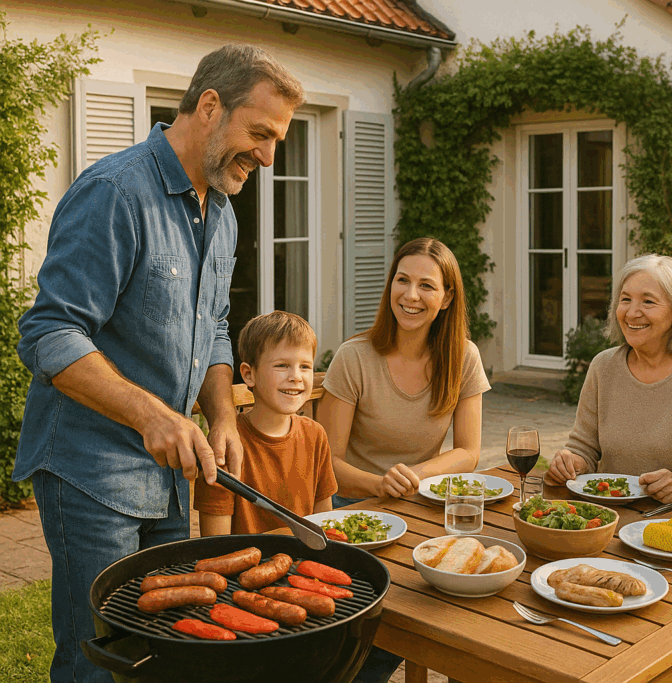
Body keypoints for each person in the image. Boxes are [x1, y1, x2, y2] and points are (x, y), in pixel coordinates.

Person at [14, 44, 304, 682]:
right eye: (260, 133)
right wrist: (152, 414)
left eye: (277, 139)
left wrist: (223, 415)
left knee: (167, 653)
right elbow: (50, 331)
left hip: (169, 474)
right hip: (90, 472)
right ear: (208, 107)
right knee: (99, 656)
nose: (269, 156)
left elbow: (214, 326)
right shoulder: (114, 193)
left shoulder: (221, 211)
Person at [318, 237, 490, 683]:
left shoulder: (463, 357)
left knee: (463, 594)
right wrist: (378, 484)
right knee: (388, 611)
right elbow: (327, 461)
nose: (411, 296)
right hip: (352, 512)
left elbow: (469, 451)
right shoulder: (355, 357)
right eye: (402, 281)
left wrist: (413, 476)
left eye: (426, 286)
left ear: (447, 297)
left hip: (418, 508)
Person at [545, 254, 672, 505]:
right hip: (610, 517)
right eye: (625, 299)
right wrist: (570, 462)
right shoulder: (603, 367)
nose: (631, 312)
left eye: (648, 302)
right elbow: (583, 448)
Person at [193, 311, 337, 534]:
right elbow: (214, 545)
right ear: (249, 374)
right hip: (245, 566)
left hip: (306, 564)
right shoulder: (225, 445)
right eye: (282, 365)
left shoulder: (315, 435)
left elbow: (325, 527)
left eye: (305, 367)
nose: (296, 376)